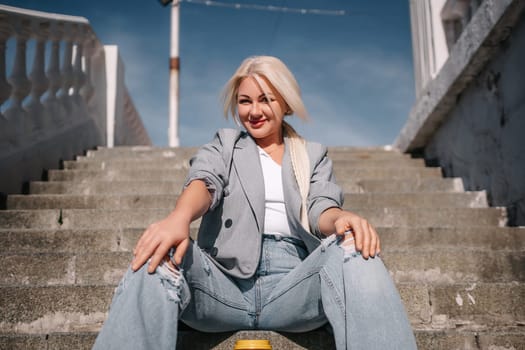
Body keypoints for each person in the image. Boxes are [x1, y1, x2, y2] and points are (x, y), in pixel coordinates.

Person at [93, 56, 417, 349]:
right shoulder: (226, 145)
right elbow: (205, 181)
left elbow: (322, 207)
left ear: (286, 103)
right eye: (245, 101)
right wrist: (179, 218)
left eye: (266, 100)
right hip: (223, 287)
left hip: (294, 289)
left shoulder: (311, 154)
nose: (254, 111)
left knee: (356, 247)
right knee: (159, 249)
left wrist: (343, 219)